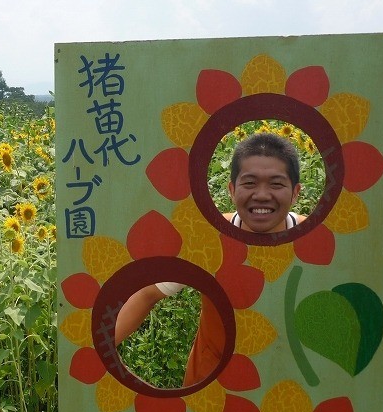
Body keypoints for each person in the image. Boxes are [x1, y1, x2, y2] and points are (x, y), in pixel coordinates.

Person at [115, 132, 305, 386]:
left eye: (276, 184)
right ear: (231, 189)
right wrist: (96, 348)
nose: (262, 195)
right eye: (249, 183)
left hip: (289, 386)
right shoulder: (206, 240)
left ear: (295, 193)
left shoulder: (315, 244)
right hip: (210, 390)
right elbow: (148, 294)